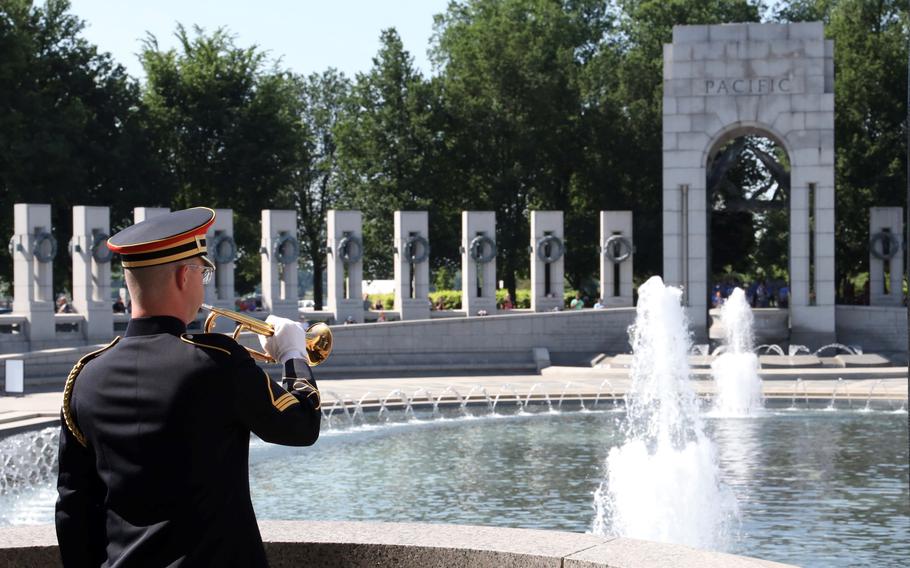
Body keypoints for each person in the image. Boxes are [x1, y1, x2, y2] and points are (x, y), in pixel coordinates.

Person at [56, 207, 321, 567]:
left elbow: (74, 507)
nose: (203, 282)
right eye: (204, 272)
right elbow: (302, 426)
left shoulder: (85, 376)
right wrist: (293, 353)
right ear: (184, 276)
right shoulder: (216, 361)